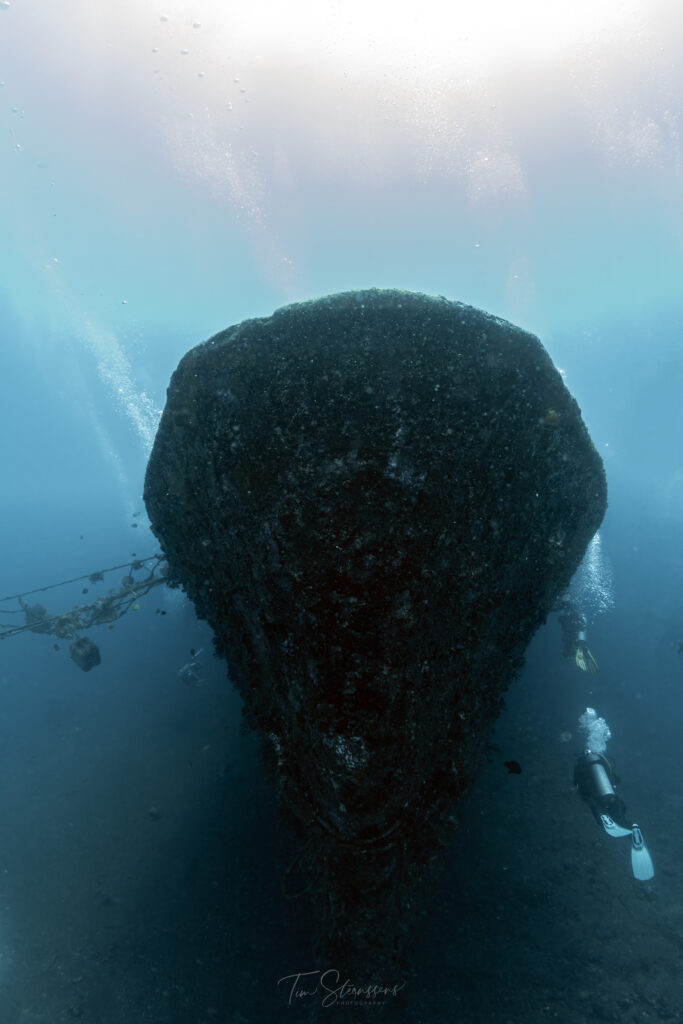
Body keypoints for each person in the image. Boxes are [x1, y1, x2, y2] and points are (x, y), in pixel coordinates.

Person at [574, 751, 654, 881]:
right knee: (621, 818)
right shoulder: (603, 761)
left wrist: (585, 795)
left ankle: (604, 817)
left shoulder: (581, 765)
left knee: (599, 816)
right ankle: (633, 831)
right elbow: (616, 778)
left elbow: (578, 785)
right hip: (612, 797)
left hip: (595, 797)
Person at [557, 595, 599, 674]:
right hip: (574, 631)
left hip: (574, 629)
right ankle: (581, 648)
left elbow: (579, 624)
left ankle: (580, 648)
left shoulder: (571, 610)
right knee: (567, 648)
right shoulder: (569, 610)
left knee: (571, 639)